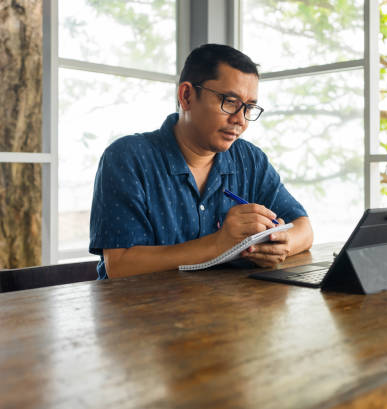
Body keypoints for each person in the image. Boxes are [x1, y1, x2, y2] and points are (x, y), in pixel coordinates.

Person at [89, 44, 313, 279]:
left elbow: (304, 229)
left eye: (249, 108)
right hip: (142, 311)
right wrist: (219, 244)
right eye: (229, 101)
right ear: (186, 96)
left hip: (230, 307)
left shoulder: (250, 159)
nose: (240, 120)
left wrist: (282, 244)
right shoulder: (128, 158)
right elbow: (120, 265)